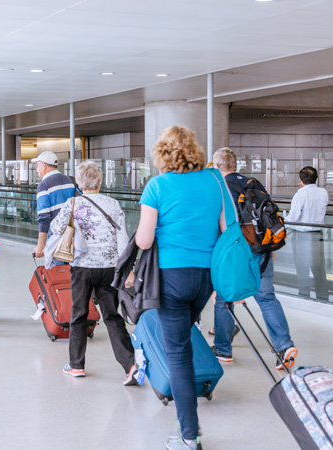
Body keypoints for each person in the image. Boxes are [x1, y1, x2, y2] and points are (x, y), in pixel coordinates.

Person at [135, 126, 225, 450]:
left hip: (171, 277)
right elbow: (225, 230)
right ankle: (187, 420)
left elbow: (144, 240)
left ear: (162, 153)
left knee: (179, 355)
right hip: (206, 277)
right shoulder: (215, 181)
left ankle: (189, 434)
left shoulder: (157, 185)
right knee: (182, 340)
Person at [49, 161, 136, 384]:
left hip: (83, 267)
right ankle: (130, 364)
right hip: (109, 268)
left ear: (79, 182)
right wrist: (127, 269)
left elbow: (56, 228)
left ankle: (76, 365)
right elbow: (123, 239)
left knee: (78, 314)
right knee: (112, 316)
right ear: (100, 181)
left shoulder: (73, 203)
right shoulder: (113, 204)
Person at [212, 147, 298, 369]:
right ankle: (284, 346)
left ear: (216, 165)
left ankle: (223, 350)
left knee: (224, 299)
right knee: (267, 298)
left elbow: (217, 224)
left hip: (236, 252)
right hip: (263, 249)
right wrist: (270, 247)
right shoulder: (253, 183)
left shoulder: (220, 188)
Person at [285, 166, 329, 300]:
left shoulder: (300, 194)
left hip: (302, 236)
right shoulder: (323, 192)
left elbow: (293, 219)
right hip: (318, 234)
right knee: (319, 269)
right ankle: (323, 297)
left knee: (302, 268)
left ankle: (304, 296)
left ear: (300, 179)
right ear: (316, 178)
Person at [32, 151, 76, 259]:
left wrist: (41, 244)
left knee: (57, 271)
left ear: (44, 165)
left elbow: (44, 217)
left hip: (55, 235)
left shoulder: (44, 185)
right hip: (72, 233)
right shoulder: (69, 180)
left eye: (37, 165)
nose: (36, 169)